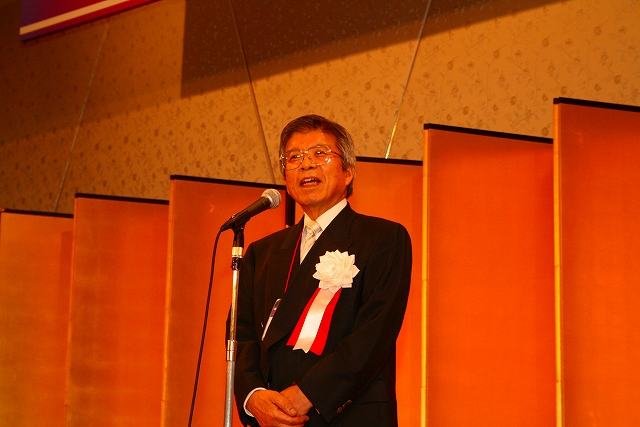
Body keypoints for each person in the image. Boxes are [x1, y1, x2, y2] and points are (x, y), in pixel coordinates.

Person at [234, 114, 412, 427]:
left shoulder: (383, 238)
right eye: (294, 157)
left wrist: (306, 394)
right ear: (286, 178)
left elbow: (373, 335)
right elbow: (241, 335)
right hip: (272, 419)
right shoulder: (261, 253)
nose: (306, 164)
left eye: (320, 153)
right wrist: (253, 396)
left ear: (348, 171)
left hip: (348, 415)